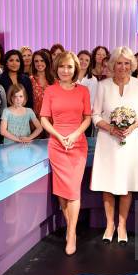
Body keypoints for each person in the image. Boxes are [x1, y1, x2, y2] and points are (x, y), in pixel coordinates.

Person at [90, 46, 138, 245]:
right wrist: (110, 128)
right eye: (119, 63)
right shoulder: (103, 85)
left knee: (126, 184)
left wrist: (132, 126)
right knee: (108, 183)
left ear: (131, 65)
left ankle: (122, 225)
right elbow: (95, 115)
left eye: (126, 63)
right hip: (108, 141)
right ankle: (110, 224)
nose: (122, 67)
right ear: (112, 65)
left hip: (130, 141)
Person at [40, 51, 92, 256]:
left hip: (77, 144)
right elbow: (44, 119)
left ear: (75, 69)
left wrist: (74, 134)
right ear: (56, 68)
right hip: (57, 144)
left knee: (73, 190)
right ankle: (72, 226)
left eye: (69, 66)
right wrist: (59, 136)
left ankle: (71, 234)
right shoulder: (50, 91)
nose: (65, 70)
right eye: (62, 66)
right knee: (62, 192)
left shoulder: (84, 91)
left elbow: (87, 118)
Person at [29, 50, 54, 120]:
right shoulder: (30, 80)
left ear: (46, 62)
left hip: (52, 119)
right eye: (36, 61)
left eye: (42, 60)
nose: (39, 63)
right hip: (35, 119)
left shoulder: (55, 81)